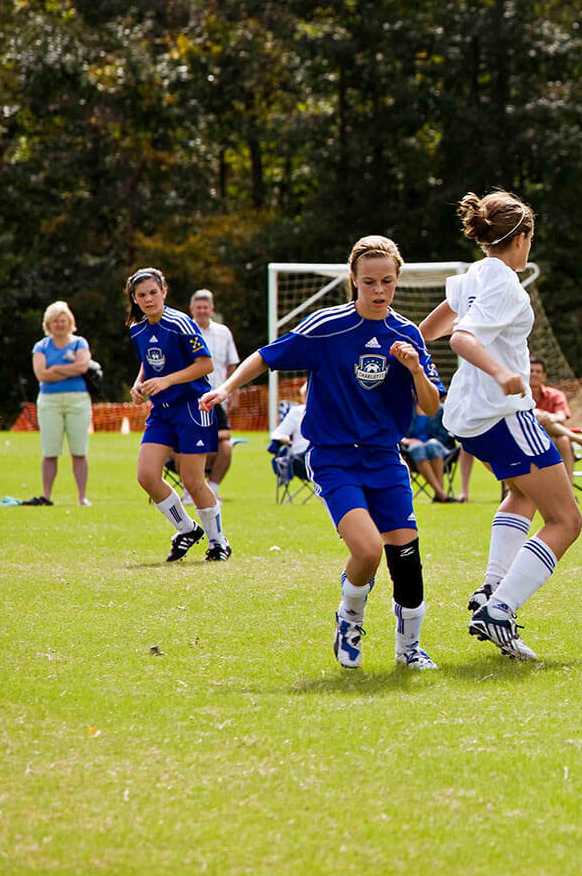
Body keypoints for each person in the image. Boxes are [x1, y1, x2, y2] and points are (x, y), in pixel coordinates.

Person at [203, 237, 444, 668]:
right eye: (368, 281)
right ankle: (349, 620)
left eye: (386, 281)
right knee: (369, 550)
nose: (378, 290)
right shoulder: (327, 325)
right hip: (334, 458)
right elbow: (265, 355)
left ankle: (409, 651)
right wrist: (226, 387)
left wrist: (413, 369)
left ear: (397, 281)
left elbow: (430, 406)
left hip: (385, 459)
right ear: (352, 279)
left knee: (406, 559)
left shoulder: (407, 335)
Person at [421, 191, 582, 662]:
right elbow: (461, 336)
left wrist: (402, 341)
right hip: (502, 412)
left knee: (522, 494)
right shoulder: (506, 285)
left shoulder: (476, 273)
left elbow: (433, 327)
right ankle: (499, 610)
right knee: (567, 521)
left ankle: (489, 591)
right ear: (524, 236)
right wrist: (501, 373)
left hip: (469, 419)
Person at [126, 268, 228, 562]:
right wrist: (138, 384)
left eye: (153, 293)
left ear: (164, 292)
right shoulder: (138, 329)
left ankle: (218, 541)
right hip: (161, 411)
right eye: (141, 295)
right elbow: (149, 364)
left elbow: (205, 364)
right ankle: (186, 529)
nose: (148, 299)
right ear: (134, 298)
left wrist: (168, 381)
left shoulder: (181, 323)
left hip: (192, 409)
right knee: (146, 475)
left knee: (193, 481)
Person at [29, 300, 92, 506]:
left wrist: (55, 369)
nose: (59, 324)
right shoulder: (41, 346)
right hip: (49, 402)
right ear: (49, 324)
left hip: (78, 400)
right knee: (50, 451)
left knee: (79, 451)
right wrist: (68, 369)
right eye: (55, 321)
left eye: (62, 320)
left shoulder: (79, 342)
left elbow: (83, 366)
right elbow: (41, 374)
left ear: (69, 321)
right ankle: (47, 495)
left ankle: (82, 496)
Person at [188, 289, 240, 496]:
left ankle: (211, 489)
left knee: (222, 444)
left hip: (217, 397)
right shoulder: (183, 330)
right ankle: (190, 487)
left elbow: (231, 366)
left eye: (205, 307)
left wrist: (232, 393)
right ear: (192, 309)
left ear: (212, 309)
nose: (202, 311)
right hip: (189, 397)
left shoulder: (223, 332)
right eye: (198, 307)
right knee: (191, 441)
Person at [528, 357, 582, 469]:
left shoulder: (556, 395)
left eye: (538, 371)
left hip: (552, 439)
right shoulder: (518, 396)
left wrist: (549, 417)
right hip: (526, 439)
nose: (534, 374)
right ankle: (581, 441)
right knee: (535, 415)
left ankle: (567, 486)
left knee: (563, 440)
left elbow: (562, 416)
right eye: (531, 371)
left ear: (544, 376)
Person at [401, 407, 460, 503]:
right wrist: (408, 441)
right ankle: (440, 493)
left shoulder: (440, 410)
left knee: (432, 445)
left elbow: (443, 437)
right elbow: (399, 433)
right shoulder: (407, 409)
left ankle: (439, 492)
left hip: (438, 449)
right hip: (412, 451)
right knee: (418, 448)